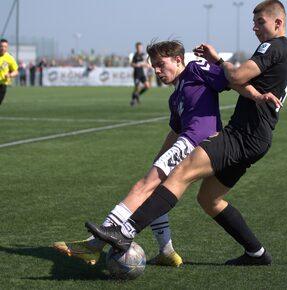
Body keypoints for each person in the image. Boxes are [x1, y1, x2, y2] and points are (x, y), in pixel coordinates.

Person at [86, 0, 287, 266]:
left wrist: (217, 59)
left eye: (259, 22)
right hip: (255, 138)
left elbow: (238, 76)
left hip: (244, 135)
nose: (254, 28)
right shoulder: (282, 50)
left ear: (278, 23)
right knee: (209, 199)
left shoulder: (275, 46)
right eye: (253, 23)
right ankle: (257, 253)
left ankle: (125, 232)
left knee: (180, 174)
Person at [54, 40, 273, 267]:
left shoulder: (196, 68)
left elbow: (231, 80)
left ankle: (94, 246)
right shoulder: (174, 96)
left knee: (143, 186)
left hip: (195, 143)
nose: (157, 71)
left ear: (178, 59)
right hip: (186, 142)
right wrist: (159, 158)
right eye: (154, 66)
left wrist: (256, 96)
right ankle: (167, 251)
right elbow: (175, 130)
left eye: (161, 64)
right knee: (160, 189)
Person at [130, 42, 151, 106]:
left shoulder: (143, 55)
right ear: (136, 48)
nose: (140, 48)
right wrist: (137, 65)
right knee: (137, 88)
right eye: (138, 47)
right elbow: (132, 64)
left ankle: (137, 95)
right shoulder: (135, 55)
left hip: (142, 74)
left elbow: (145, 63)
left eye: (140, 47)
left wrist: (146, 65)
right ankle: (133, 100)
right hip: (137, 73)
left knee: (147, 86)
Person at [0, 39, 18, 105]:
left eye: (5, 47)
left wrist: (10, 75)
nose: (3, 48)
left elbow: (16, 71)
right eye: (1, 46)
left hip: (3, 84)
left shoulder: (9, 58)